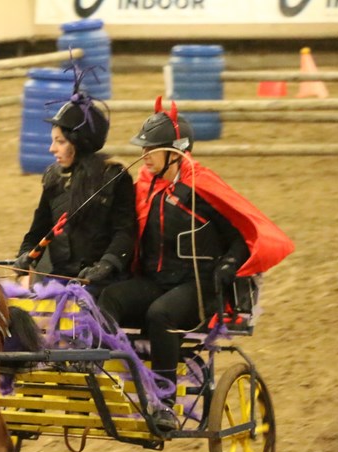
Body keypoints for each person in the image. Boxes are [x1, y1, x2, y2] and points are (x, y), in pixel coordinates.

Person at [98, 97, 295, 431]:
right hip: (156, 281)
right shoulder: (145, 186)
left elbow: (240, 234)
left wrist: (229, 264)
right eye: (143, 148)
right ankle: (106, 379)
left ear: (176, 153)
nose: (144, 155)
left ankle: (164, 404)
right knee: (109, 299)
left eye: (151, 149)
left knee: (160, 314)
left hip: (198, 287)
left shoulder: (201, 186)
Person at [13, 87, 135, 298]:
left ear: (80, 142)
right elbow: (38, 229)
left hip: (99, 279)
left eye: (60, 141)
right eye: (53, 141)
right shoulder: (53, 177)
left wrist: (107, 264)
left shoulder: (114, 177)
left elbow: (124, 232)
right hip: (59, 276)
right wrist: (25, 255)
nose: (52, 148)